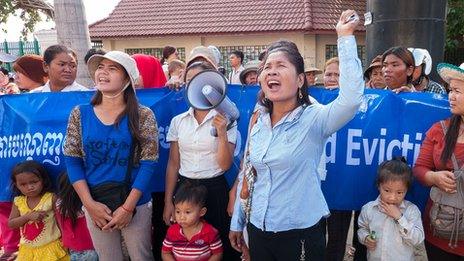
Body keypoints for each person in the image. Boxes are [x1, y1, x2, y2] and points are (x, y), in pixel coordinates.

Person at [229, 10, 364, 260]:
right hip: (258, 229)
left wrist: (344, 37)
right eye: (267, 67)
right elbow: (249, 172)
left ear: (300, 79)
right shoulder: (258, 119)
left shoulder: (315, 118)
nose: (271, 71)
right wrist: (238, 221)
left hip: (300, 235)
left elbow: (352, 100)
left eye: (281, 66)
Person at [63, 51, 158, 260]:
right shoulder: (80, 113)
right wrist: (89, 204)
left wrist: (127, 207)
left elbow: (149, 162)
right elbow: (72, 160)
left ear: (127, 79)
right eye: (100, 67)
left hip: (135, 202)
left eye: (112, 68)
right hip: (96, 202)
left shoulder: (143, 115)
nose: (103, 72)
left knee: (141, 256)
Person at [163, 61, 239, 260]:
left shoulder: (227, 118)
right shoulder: (178, 121)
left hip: (214, 190)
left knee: (218, 248)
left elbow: (225, 165)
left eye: (198, 80)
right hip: (185, 190)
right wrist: (168, 201)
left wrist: (222, 134)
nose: (192, 85)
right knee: (184, 248)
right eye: (189, 81)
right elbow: (173, 163)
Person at [413, 62, 464, 259]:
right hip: (440, 231)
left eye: (457, 91)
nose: (451, 96)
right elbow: (419, 169)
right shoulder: (439, 129)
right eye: (451, 90)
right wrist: (433, 177)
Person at [358, 157, 424, 260]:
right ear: (379, 186)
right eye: (387, 190)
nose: (392, 197)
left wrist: (400, 218)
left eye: (399, 192)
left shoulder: (411, 211)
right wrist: (365, 238)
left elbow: (418, 239)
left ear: (406, 190)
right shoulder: (369, 209)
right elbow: (362, 229)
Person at [8, 160, 69, 261]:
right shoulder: (18, 201)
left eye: (34, 182)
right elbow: (11, 224)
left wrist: (66, 239)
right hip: (27, 251)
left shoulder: (50, 198)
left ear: (43, 180)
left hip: (51, 247)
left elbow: (60, 220)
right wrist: (27, 217)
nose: (30, 187)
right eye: (23, 184)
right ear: (17, 185)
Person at [162, 182, 223, 261]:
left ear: (202, 212)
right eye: (178, 212)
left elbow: (218, 253)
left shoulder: (210, 232)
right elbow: (165, 253)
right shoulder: (172, 231)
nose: (182, 217)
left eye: (187, 212)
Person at [55, 173, 98, 261]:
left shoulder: (60, 205)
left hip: (73, 247)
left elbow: (60, 225)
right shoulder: (88, 207)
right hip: (91, 246)